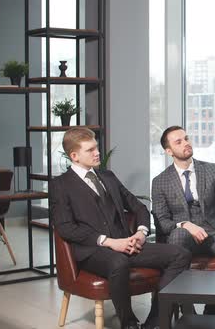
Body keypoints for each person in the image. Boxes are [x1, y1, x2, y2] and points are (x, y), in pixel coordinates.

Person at [51, 127, 190, 329]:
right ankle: (129, 323)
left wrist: (141, 234)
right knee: (119, 262)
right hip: (94, 251)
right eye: (90, 150)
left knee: (180, 254)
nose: (97, 152)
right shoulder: (61, 185)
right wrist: (110, 242)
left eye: (96, 147)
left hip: (128, 244)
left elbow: (139, 207)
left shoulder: (108, 177)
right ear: (74, 156)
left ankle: (155, 320)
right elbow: (66, 228)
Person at [151, 126, 215, 316]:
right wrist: (185, 224)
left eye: (186, 138)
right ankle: (184, 306)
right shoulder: (160, 181)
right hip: (183, 239)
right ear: (168, 151)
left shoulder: (212, 170)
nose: (186, 143)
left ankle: (212, 305)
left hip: (213, 234)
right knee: (178, 234)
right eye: (178, 141)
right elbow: (162, 221)